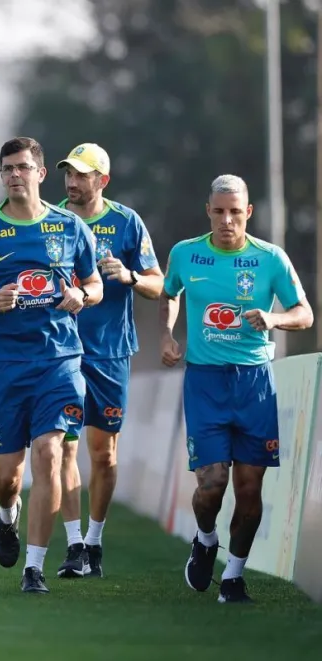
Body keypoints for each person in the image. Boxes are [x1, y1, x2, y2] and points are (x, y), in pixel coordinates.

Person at [0, 136, 103, 594]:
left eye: (21, 167)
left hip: (59, 361)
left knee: (50, 453)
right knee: (8, 476)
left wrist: (81, 294)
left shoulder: (70, 228)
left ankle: (34, 568)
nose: (14, 175)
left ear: (40, 173)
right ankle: (6, 514)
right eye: (7, 168)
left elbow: (94, 285)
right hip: (2, 365)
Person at [160, 174, 313, 603]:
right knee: (211, 485)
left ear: (248, 213)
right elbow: (169, 293)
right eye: (219, 211)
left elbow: (305, 313)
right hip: (205, 381)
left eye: (235, 212)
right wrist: (168, 334)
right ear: (208, 211)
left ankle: (233, 575)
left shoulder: (271, 259)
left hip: (255, 385)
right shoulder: (187, 254)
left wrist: (276, 318)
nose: (227, 220)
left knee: (249, 492)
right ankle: (206, 539)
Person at [53, 144, 164, 579]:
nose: (72, 182)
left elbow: (159, 285)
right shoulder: (52, 220)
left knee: (103, 454)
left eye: (82, 175)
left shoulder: (126, 222)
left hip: (111, 351)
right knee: (63, 449)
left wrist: (130, 276)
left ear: (103, 180)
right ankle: (74, 544)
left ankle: (95, 543)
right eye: (68, 174)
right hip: (60, 351)